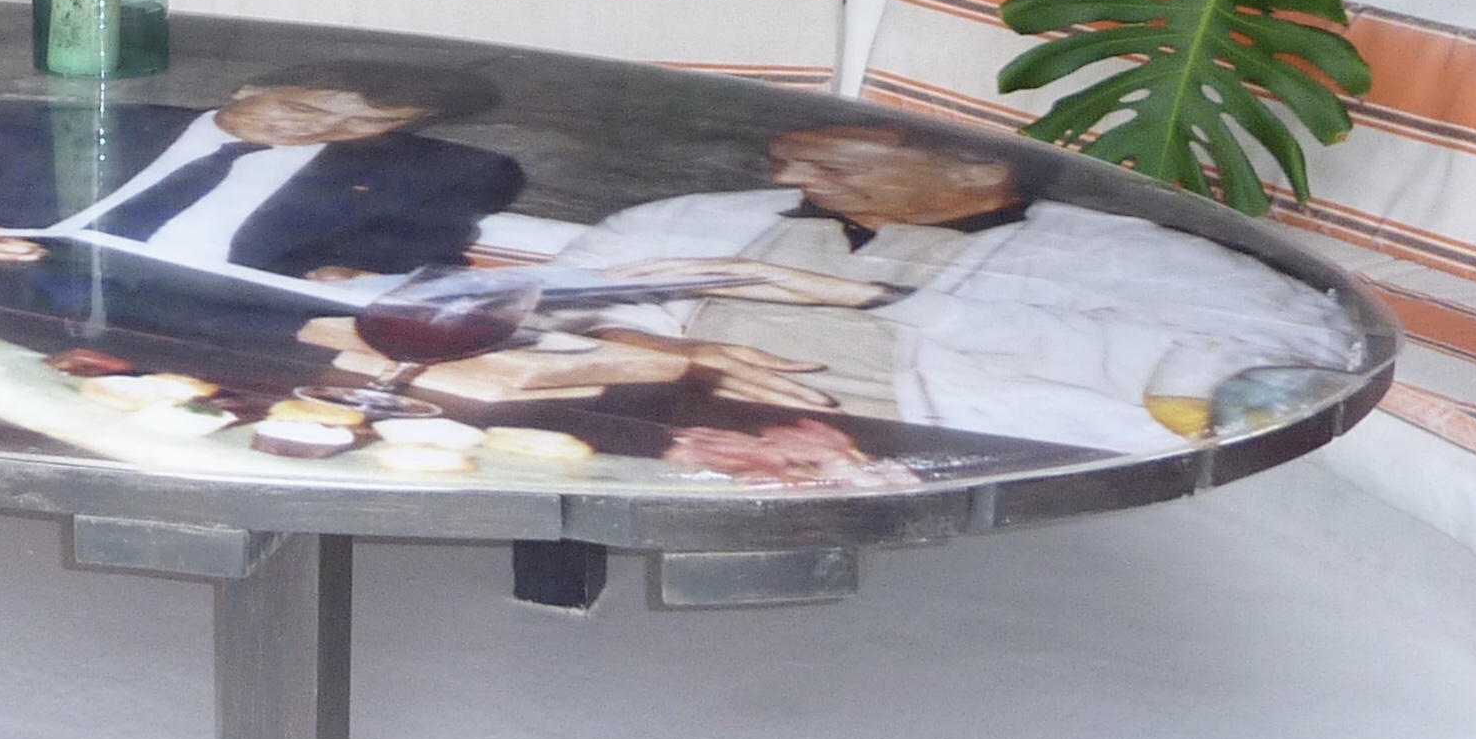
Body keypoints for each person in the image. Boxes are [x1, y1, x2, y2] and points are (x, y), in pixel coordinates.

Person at [531, 122, 1365, 457]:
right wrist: (656, 350)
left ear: (979, 170)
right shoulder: (694, 220)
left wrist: (877, 301)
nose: (786, 179)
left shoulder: (1123, 256)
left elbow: (1292, 366)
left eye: (829, 166)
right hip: (659, 437)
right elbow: (562, 297)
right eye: (783, 159)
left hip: (962, 458)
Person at [0, 61, 526, 346]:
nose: (323, 129)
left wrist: (358, 280)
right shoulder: (22, 125)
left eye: (367, 123)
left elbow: (421, 265)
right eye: (306, 106)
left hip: (208, 334)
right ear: (247, 86)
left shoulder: (436, 176)